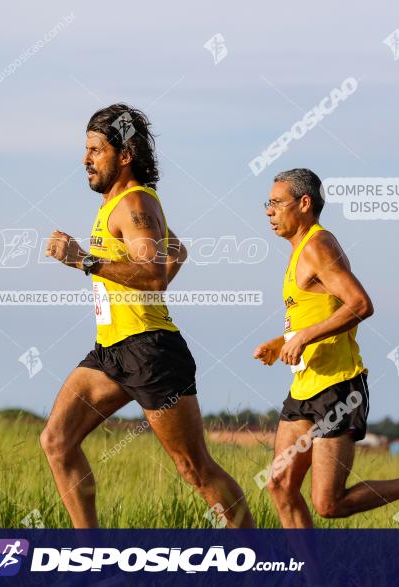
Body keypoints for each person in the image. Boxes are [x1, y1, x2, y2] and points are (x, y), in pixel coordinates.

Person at [42, 103, 255, 528]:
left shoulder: (134, 203)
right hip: (112, 352)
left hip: (151, 353)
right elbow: (176, 252)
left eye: (96, 150)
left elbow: (155, 275)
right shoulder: (120, 204)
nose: (85, 159)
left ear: (124, 155)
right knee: (57, 441)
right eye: (85, 149)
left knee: (195, 469)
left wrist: (84, 262)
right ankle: (93, 561)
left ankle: (257, 558)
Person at [253, 168, 399, 527]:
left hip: (338, 389)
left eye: (277, 202)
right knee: (280, 485)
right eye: (269, 203)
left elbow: (360, 304)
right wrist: (282, 340)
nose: (268, 210)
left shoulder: (318, 245)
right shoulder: (299, 252)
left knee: (329, 503)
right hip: (305, 388)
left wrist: (303, 337)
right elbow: (320, 312)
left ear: (305, 203)